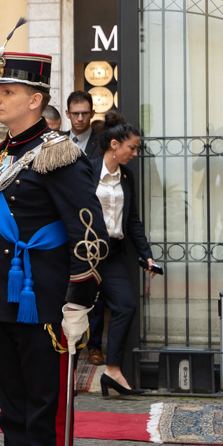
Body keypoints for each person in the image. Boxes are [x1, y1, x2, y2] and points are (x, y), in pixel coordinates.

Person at [0, 52, 107, 446]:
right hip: (5, 301)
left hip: (46, 304)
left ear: (35, 99)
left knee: (44, 410)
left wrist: (78, 303)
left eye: (6, 92)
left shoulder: (59, 155)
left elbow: (89, 234)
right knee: (12, 410)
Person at [87, 121, 155, 396]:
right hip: (86, 254)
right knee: (73, 312)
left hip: (113, 255)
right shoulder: (87, 170)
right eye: (132, 147)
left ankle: (112, 370)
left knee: (125, 306)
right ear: (114, 145)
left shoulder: (126, 177)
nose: (135, 153)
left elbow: (133, 221)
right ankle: (56, 375)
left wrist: (147, 255)